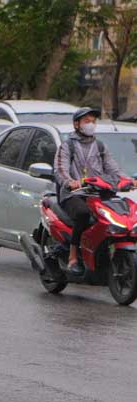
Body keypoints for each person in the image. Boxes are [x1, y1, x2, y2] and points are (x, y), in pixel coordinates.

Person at [53, 106, 125, 275]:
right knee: (83, 214)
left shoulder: (100, 146)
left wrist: (128, 180)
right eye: (87, 121)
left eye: (93, 121)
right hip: (73, 194)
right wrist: (69, 182)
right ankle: (73, 256)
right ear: (76, 124)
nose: (91, 124)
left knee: (117, 215)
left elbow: (114, 169)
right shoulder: (67, 146)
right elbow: (60, 169)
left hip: (97, 193)